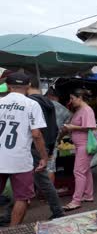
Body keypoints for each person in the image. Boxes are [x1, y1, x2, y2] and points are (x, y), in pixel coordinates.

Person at [0, 72, 49, 226]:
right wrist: (44, 157)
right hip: (20, 160)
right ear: (28, 86)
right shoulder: (32, 105)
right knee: (22, 198)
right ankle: (12, 233)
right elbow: (36, 134)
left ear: (8, 86)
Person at [26, 79, 64, 219]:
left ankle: (58, 211)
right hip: (46, 144)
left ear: (28, 85)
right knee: (36, 179)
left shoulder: (30, 102)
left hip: (34, 146)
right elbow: (54, 127)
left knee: (41, 180)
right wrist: (50, 146)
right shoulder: (49, 103)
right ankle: (57, 211)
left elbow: (35, 132)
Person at [62, 89, 96, 211]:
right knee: (85, 171)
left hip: (85, 145)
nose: (71, 101)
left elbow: (90, 126)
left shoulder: (87, 110)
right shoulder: (80, 110)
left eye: (72, 98)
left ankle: (76, 201)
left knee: (79, 172)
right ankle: (88, 195)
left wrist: (72, 127)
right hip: (80, 145)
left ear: (80, 97)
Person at [46, 87, 72, 184]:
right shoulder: (65, 110)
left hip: (37, 140)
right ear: (55, 97)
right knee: (50, 168)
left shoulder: (39, 104)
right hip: (52, 142)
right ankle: (48, 196)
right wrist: (59, 137)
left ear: (48, 95)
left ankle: (35, 193)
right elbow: (66, 128)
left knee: (35, 167)